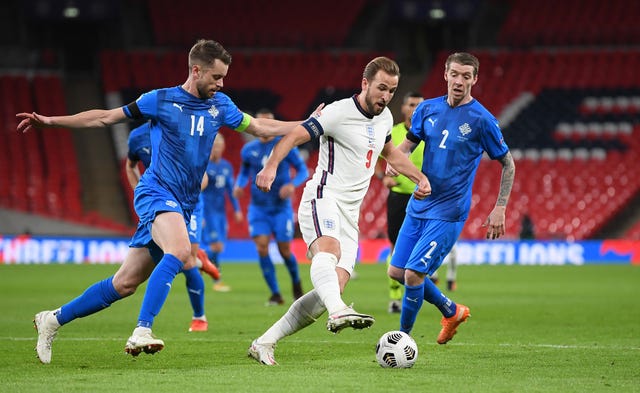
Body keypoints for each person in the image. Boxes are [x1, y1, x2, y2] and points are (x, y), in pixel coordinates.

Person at [20, 39, 317, 363]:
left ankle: (52, 319)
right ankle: (142, 330)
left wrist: (309, 126)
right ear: (196, 70)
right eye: (216, 77)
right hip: (156, 192)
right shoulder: (160, 100)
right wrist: (50, 121)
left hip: (184, 202)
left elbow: (261, 127)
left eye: (223, 78)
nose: (221, 84)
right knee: (179, 251)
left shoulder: (221, 106)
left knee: (124, 284)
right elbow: (105, 117)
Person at [247, 56, 431, 366]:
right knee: (328, 253)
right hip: (323, 196)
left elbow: (390, 155)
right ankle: (340, 310)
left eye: (392, 90)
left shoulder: (384, 118)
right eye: (381, 88)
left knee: (330, 288)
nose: (385, 96)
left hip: (350, 213)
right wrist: (271, 165)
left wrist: (419, 177)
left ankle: (265, 342)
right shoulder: (337, 112)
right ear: (365, 84)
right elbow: (295, 135)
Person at [386, 52, 515, 345]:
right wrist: (397, 160)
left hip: (448, 211)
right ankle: (452, 310)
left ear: (475, 79)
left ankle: (401, 339)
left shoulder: (482, 120)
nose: (459, 81)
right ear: (445, 74)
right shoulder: (426, 109)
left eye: (466, 76)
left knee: (413, 276)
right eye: (454, 74)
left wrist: (500, 207)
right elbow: (407, 145)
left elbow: (508, 163)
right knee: (396, 271)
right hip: (419, 204)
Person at [125, 121, 218, 332]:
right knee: (178, 259)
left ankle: (199, 317)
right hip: (160, 202)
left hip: (188, 203)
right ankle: (200, 261)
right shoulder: (136, 136)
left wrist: (189, 193)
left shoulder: (180, 128)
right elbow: (130, 165)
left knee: (186, 260)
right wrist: (139, 190)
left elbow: (202, 176)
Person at [233, 108, 308, 306]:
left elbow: (302, 170)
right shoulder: (248, 150)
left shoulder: (284, 146)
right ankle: (275, 293)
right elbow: (243, 173)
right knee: (262, 247)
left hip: (281, 207)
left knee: (284, 250)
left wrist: (292, 185)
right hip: (258, 208)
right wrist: (239, 185)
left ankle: (296, 282)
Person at [377, 91, 424, 313]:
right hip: (398, 197)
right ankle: (395, 296)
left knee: (418, 249)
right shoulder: (392, 133)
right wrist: (383, 177)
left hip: (424, 199)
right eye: (412, 105)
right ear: (404, 108)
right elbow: (378, 158)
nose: (415, 109)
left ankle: (415, 293)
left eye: (419, 106)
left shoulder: (430, 134)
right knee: (396, 248)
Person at [200, 133, 243, 292]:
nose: (217, 149)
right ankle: (200, 259)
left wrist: (237, 209)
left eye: (219, 146)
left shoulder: (226, 166)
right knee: (216, 247)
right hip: (207, 211)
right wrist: (200, 213)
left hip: (220, 212)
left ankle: (216, 279)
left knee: (219, 247)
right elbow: (199, 190)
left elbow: (230, 190)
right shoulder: (204, 165)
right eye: (214, 146)